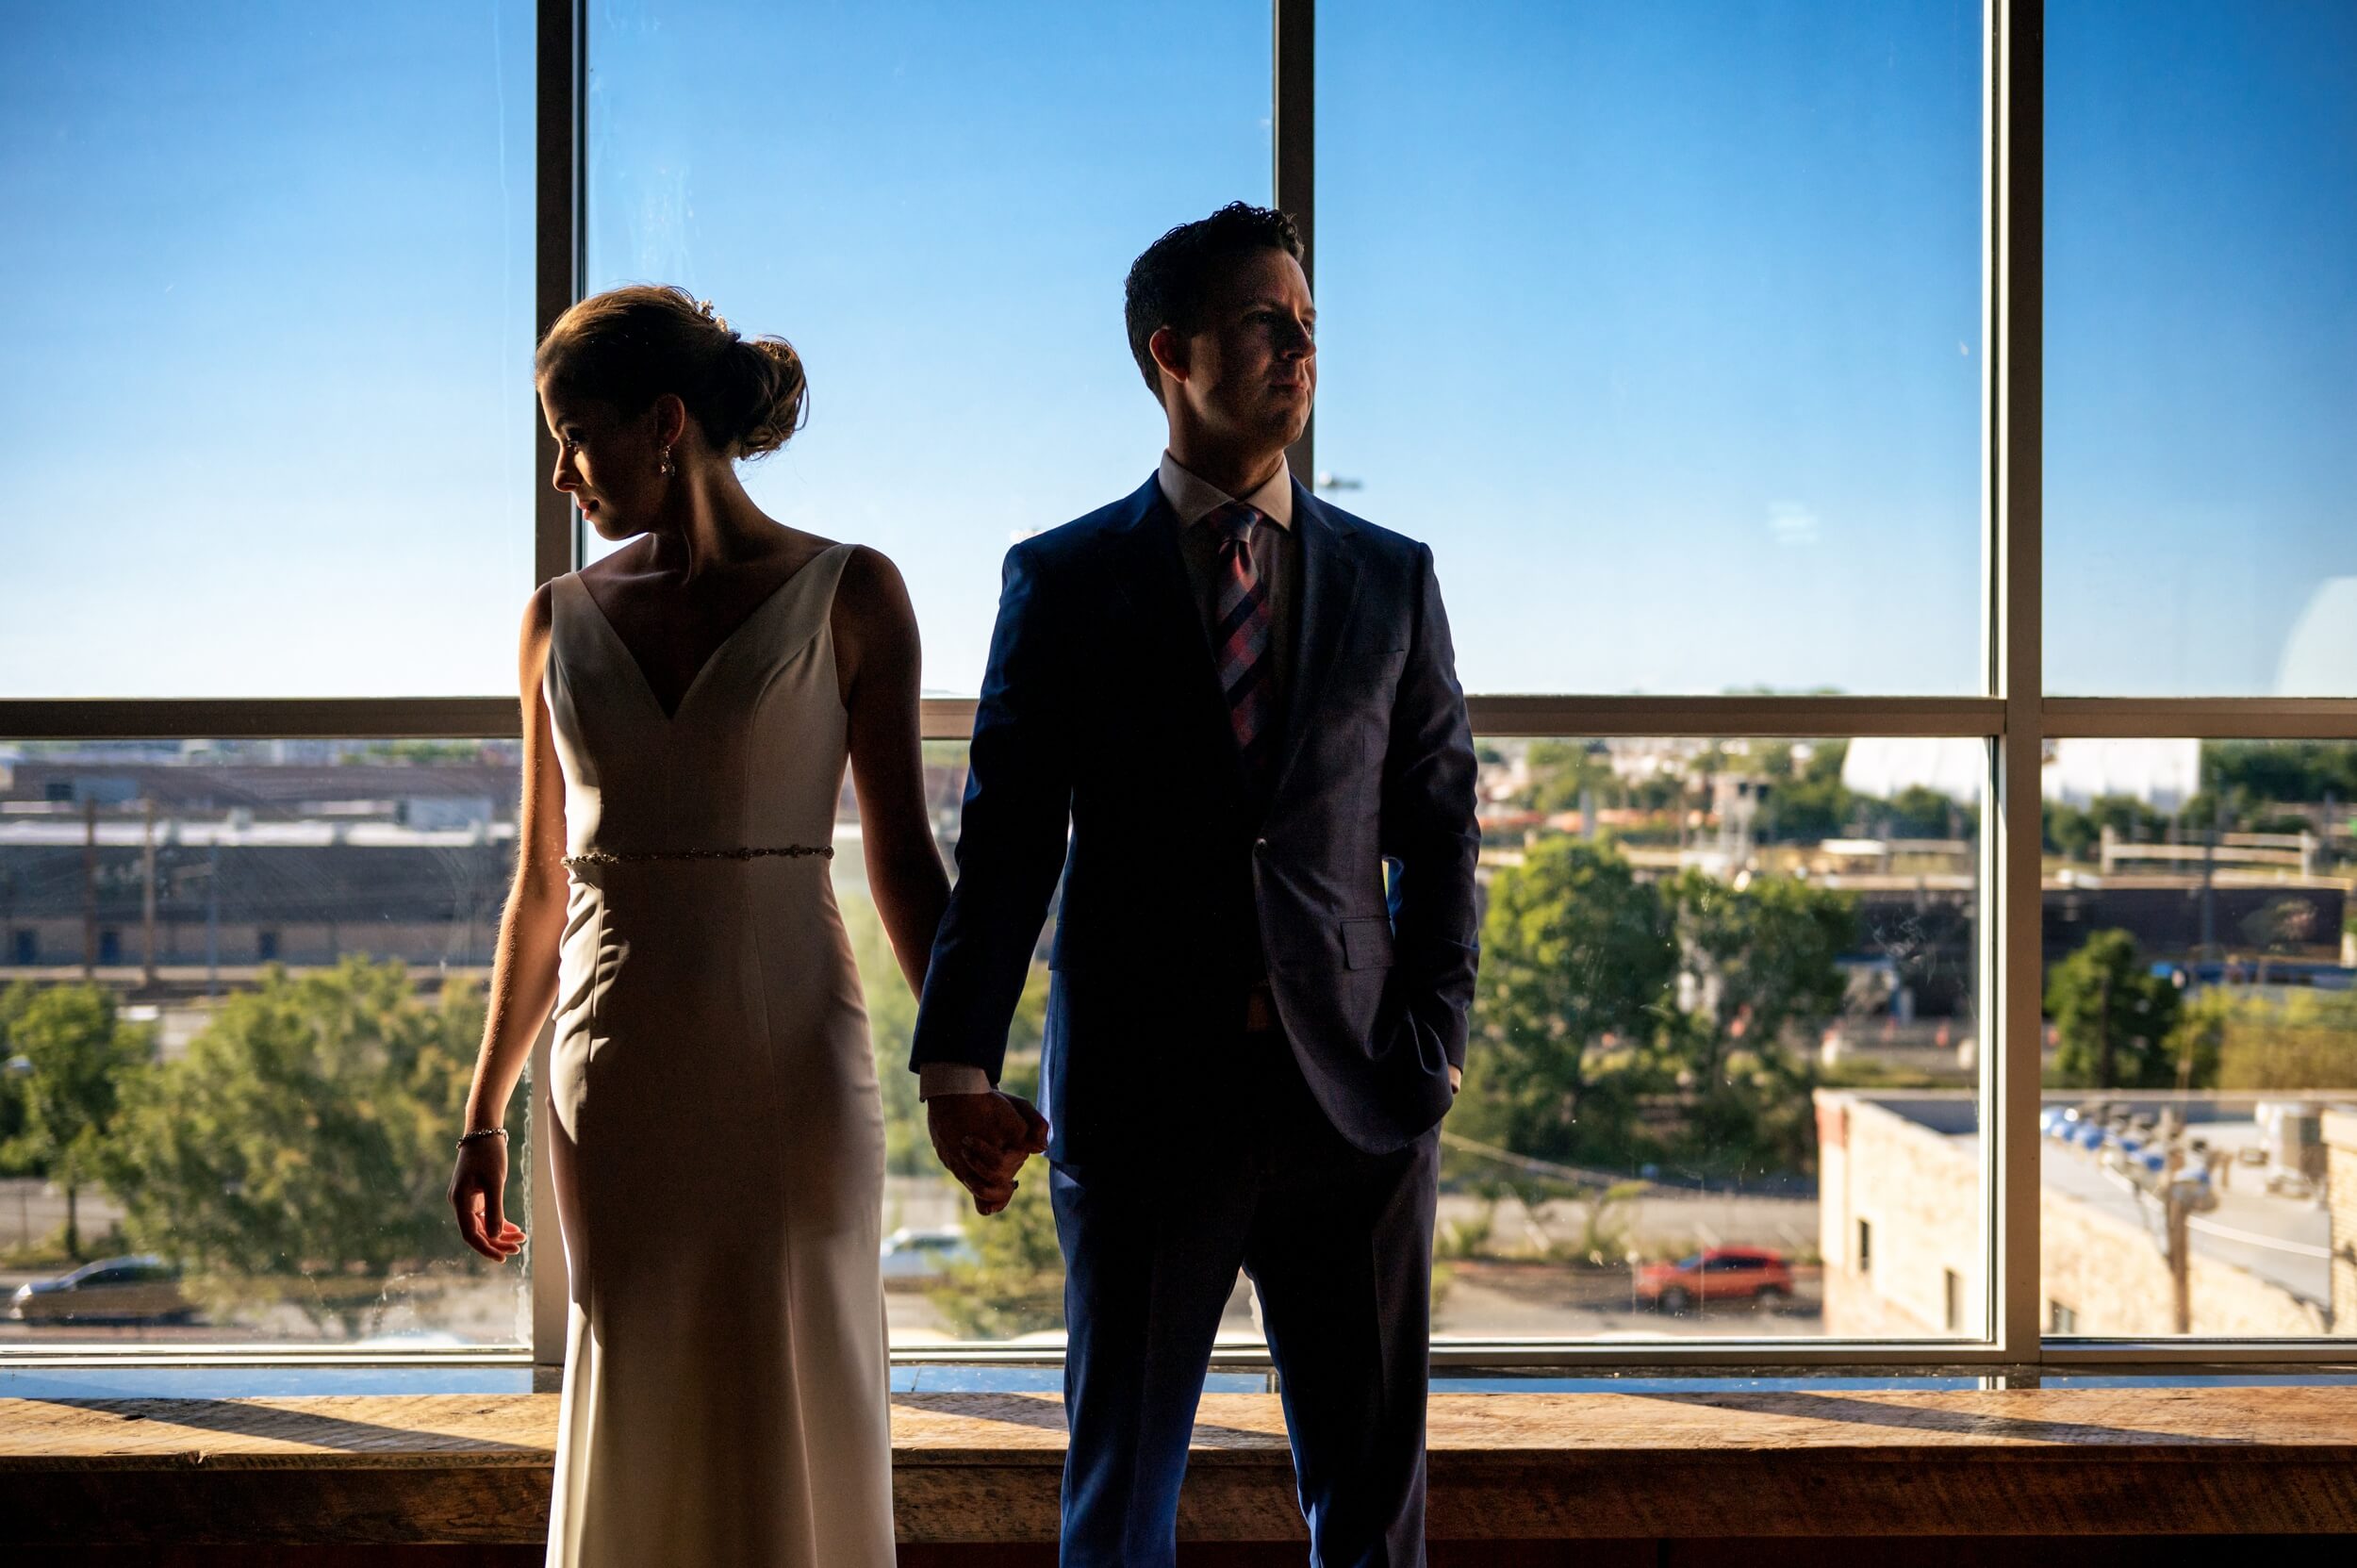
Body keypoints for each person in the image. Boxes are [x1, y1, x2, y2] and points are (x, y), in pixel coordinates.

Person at [910, 204, 1480, 1567]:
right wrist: (957, 1069)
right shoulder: (1060, 581)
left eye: (1309, 325)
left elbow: (1443, 833)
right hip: (1145, 1102)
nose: (1299, 349)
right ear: (1173, 352)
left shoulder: (1393, 581)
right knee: (1119, 1509)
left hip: (1357, 1105)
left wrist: (1434, 1050)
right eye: (1264, 324)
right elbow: (1007, 845)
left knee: (1374, 1511)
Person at [448, 285, 949, 1568]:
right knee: (643, 1369)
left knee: (802, 1352)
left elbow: (903, 862)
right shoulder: (555, 619)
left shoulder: (854, 593)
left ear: (664, 423)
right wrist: (482, 1109)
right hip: (615, 1075)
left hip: (797, 1060)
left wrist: (965, 1070)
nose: (562, 472)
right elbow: (540, 883)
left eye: (573, 433)